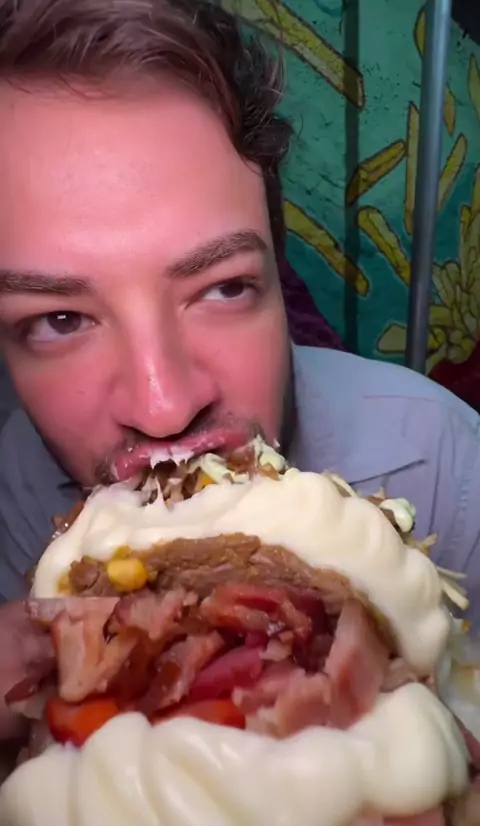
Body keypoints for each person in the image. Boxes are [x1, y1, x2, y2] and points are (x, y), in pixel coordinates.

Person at [0, 0, 479, 744]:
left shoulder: (442, 463)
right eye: (61, 320)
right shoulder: (16, 492)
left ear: (278, 281)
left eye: (222, 288)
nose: (163, 408)